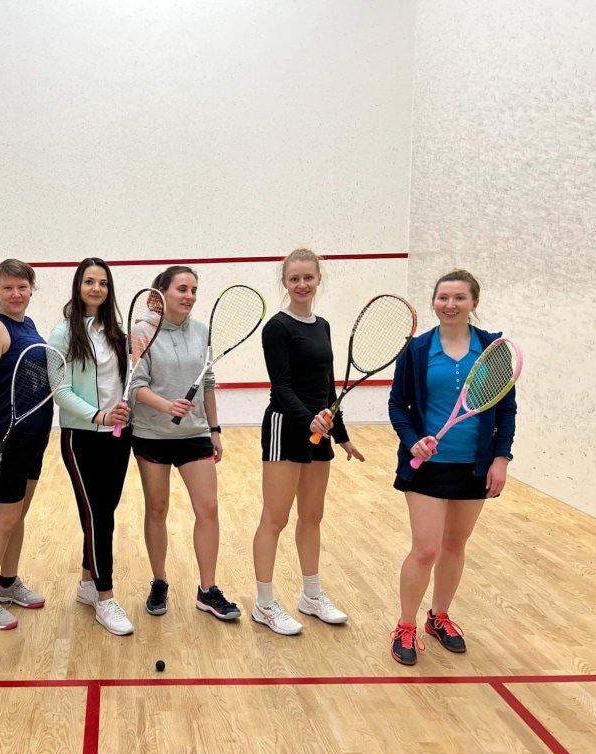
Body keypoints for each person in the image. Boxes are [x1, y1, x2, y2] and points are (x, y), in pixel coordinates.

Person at [388, 269, 516, 665]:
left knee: (455, 545)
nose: (450, 304)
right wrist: (413, 440)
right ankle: (405, 626)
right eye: (443, 297)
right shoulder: (417, 350)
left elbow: (505, 409)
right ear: (434, 301)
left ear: (474, 302)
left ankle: (438, 617)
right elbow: (398, 405)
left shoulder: (492, 349)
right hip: (427, 467)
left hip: (474, 466)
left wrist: (500, 458)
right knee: (426, 549)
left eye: (459, 297)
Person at [251, 248, 364, 636]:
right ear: (285, 282)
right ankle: (264, 603)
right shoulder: (277, 328)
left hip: (319, 430)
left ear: (318, 279)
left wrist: (342, 436)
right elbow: (281, 387)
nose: (302, 284)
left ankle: (311, 596)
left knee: (312, 516)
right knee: (275, 518)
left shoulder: (323, 326)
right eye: (294, 278)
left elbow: (328, 388)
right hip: (285, 427)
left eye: (308, 278)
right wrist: (308, 419)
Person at [129, 265, 241, 622]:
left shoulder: (201, 331)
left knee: (208, 508)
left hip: (194, 434)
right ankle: (159, 581)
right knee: (157, 509)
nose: (189, 296)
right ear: (161, 293)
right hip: (151, 434)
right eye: (182, 289)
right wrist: (166, 406)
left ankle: (208, 590)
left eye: (194, 290)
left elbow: (207, 381)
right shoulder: (141, 332)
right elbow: (136, 386)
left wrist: (214, 429)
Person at [49, 258, 134, 636]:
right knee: (99, 515)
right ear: (78, 286)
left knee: (103, 511)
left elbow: (123, 382)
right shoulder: (62, 334)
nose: (96, 288)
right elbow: (60, 391)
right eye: (89, 282)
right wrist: (99, 416)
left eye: (102, 283)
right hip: (81, 437)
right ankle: (105, 596)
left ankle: (87, 582)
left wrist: (121, 414)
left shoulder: (116, 334)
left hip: (119, 435)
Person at [0, 259, 52, 630]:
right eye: (7, 288)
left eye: (22, 287)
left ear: (31, 288)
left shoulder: (27, 325)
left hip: (33, 441)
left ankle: (8, 583)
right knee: (2, 520)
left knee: (17, 517)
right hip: (5, 443)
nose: (16, 294)